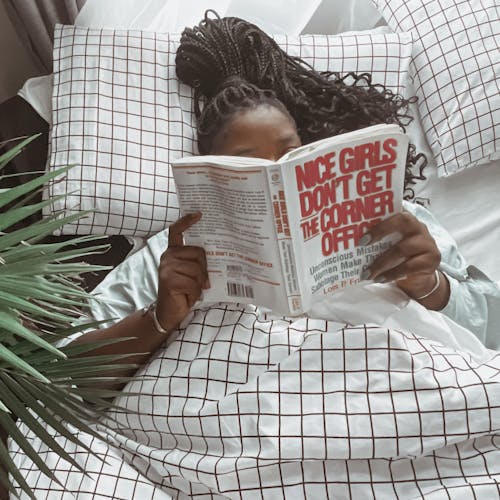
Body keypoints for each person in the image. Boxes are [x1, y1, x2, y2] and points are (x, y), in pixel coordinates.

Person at [10, 13, 500, 500]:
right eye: (247, 163)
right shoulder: (171, 251)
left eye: (287, 154)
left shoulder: (395, 216)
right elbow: (69, 386)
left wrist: (431, 286)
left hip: (392, 389)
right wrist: (160, 317)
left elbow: (491, 330)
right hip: (219, 416)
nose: (272, 175)